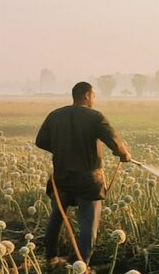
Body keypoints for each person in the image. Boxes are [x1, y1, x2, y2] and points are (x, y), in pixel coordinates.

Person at [35, 81, 131, 263]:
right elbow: (113, 140)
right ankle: (82, 264)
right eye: (94, 95)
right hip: (88, 180)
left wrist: (61, 149)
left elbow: (40, 141)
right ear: (87, 95)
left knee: (56, 217)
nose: (94, 99)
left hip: (61, 177)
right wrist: (123, 153)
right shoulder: (95, 117)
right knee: (88, 222)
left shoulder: (55, 115)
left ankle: (50, 258)